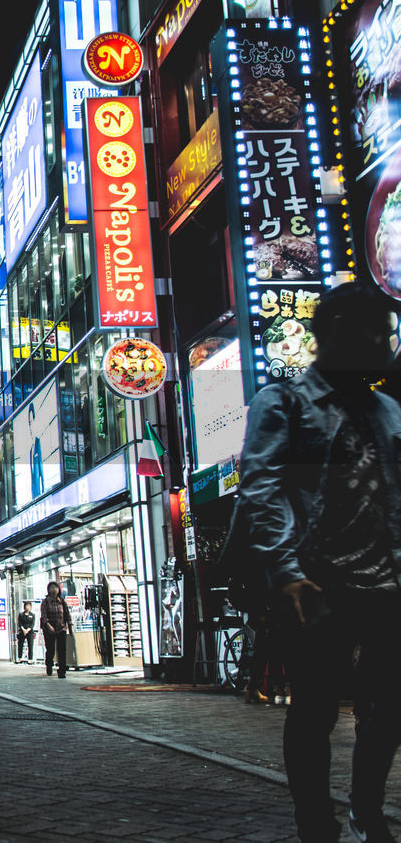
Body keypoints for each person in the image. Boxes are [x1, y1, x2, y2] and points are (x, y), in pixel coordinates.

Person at [236, 281, 401, 843]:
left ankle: (367, 810)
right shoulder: (283, 401)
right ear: (334, 331)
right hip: (316, 583)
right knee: (316, 709)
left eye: (388, 330)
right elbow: (261, 488)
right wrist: (285, 572)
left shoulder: (387, 410)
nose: (384, 341)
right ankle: (315, 823)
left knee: (391, 707)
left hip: (388, 581)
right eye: (374, 329)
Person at [40, 581, 72, 679]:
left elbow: (67, 614)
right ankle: (49, 666)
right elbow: (44, 616)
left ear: (59, 590)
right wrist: (48, 625)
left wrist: (70, 627)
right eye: (52, 588)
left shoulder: (62, 601)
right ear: (48, 590)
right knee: (50, 650)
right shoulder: (45, 602)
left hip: (61, 628)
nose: (54, 589)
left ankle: (62, 671)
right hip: (49, 629)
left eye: (56, 588)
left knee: (62, 650)